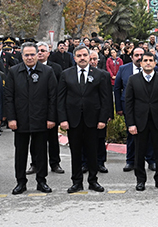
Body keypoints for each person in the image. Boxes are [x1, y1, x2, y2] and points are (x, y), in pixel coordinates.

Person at [57, 45, 112, 193]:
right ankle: (76, 182)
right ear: (74, 58)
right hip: (73, 120)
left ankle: (93, 181)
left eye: (85, 55)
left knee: (92, 152)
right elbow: (60, 99)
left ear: (89, 57)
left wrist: (102, 119)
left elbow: (105, 99)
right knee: (75, 153)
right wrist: (62, 119)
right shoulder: (65, 74)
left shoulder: (101, 75)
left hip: (93, 121)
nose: (82, 58)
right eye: (79, 55)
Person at [5, 42, 57, 194]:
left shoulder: (47, 71)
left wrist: (51, 118)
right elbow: (9, 97)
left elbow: (52, 97)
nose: (29, 57)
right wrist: (11, 119)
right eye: (26, 55)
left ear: (37, 55)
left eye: (32, 54)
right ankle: (21, 182)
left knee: (41, 152)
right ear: (21, 56)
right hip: (20, 120)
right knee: (20, 153)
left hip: (41, 119)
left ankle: (42, 181)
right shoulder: (14, 72)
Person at [124, 51, 158, 191]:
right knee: (139, 153)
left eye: (151, 60)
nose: (148, 62)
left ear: (155, 63)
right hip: (140, 123)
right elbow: (129, 103)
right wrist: (131, 124)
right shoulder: (133, 79)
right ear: (141, 62)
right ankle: (140, 181)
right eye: (145, 60)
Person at [114, 47, 155, 172]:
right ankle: (130, 161)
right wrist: (119, 108)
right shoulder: (123, 69)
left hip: (148, 108)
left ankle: (151, 160)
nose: (139, 57)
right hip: (129, 108)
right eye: (136, 55)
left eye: (141, 55)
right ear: (131, 57)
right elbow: (117, 89)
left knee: (149, 134)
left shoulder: (153, 70)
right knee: (131, 134)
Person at [28, 42, 64, 175]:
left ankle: (55, 163)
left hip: (50, 109)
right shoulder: (30, 68)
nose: (40, 53)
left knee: (52, 139)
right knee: (35, 139)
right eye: (38, 50)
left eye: (43, 50)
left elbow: (59, 91)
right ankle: (35, 164)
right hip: (34, 111)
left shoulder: (56, 68)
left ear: (48, 53)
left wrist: (56, 113)